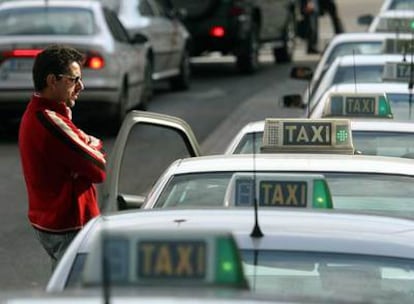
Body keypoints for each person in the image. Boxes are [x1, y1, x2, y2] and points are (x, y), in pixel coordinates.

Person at [18, 44, 106, 270]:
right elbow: (98, 167)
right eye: (74, 79)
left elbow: (89, 156)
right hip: (68, 225)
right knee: (77, 293)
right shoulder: (49, 120)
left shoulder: (44, 114)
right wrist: (91, 143)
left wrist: (87, 144)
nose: (81, 86)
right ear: (52, 80)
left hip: (58, 224)